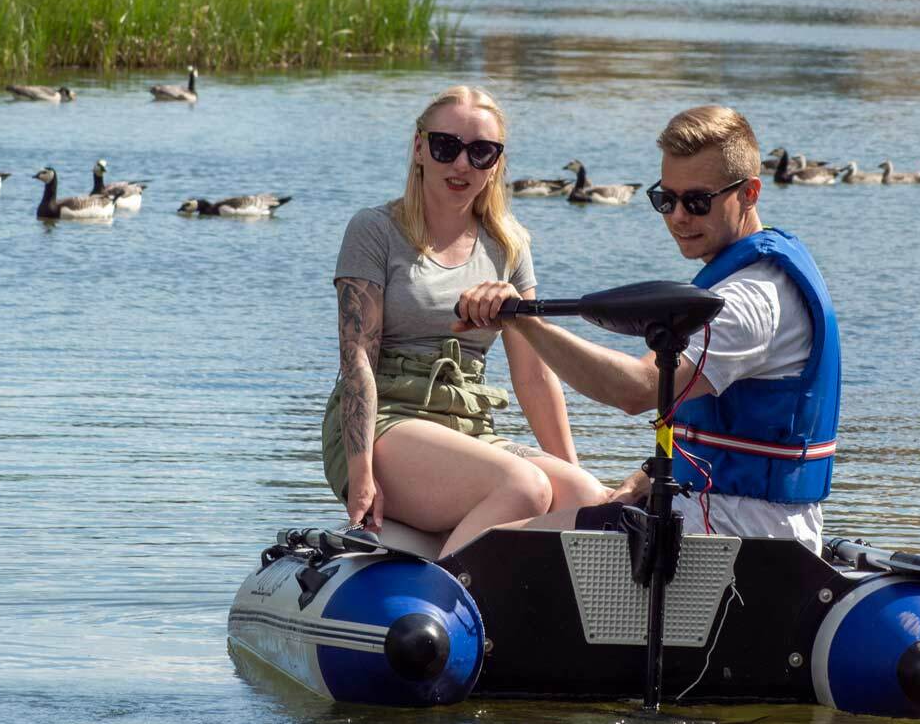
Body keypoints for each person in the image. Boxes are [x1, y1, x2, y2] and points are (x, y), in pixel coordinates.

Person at [454, 105, 840, 553]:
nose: (677, 216)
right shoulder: (748, 273)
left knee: (491, 550)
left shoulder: (750, 300)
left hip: (739, 536)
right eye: (665, 199)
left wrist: (520, 321)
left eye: (697, 202)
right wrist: (644, 478)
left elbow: (637, 391)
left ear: (750, 193)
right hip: (732, 517)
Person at [323, 84, 607, 556]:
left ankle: (493, 592)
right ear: (419, 148)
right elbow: (357, 361)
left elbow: (535, 375)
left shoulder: (509, 245)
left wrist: (573, 478)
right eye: (445, 146)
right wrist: (361, 475)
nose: (461, 165)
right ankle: (440, 602)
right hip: (387, 421)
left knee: (589, 498)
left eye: (480, 152)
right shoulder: (374, 231)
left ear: (496, 161)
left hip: (469, 426)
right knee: (525, 487)